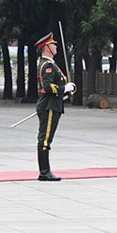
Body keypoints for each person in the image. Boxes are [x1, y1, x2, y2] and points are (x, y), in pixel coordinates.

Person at [36, 32, 74, 181]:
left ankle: (45, 171)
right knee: (45, 140)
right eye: (53, 44)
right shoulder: (47, 65)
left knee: (47, 139)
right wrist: (64, 89)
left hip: (52, 104)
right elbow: (48, 86)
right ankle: (44, 171)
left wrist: (68, 87)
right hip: (49, 106)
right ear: (47, 47)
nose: (55, 46)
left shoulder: (50, 64)